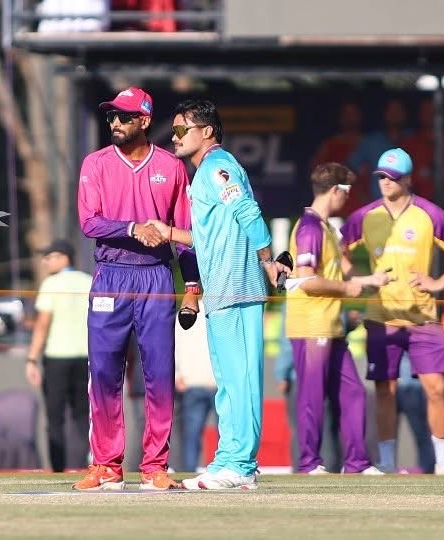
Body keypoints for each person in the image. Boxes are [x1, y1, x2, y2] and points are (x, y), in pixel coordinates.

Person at [149, 98, 290, 490]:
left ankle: (241, 465)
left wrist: (267, 260)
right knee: (228, 380)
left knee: (240, 379)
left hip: (237, 287)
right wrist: (168, 232)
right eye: (174, 130)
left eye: (182, 130)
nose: (175, 137)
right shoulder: (205, 174)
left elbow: (248, 211)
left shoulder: (217, 166)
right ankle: (229, 459)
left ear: (207, 131)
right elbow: (206, 236)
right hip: (220, 290)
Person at [73, 87, 198, 491]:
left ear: (143, 121)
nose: (115, 123)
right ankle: (106, 465)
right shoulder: (95, 163)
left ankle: (155, 466)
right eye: (111, 116)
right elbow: (89, 222)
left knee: (159, 372)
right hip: (110, 274)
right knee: (104, 370)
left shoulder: (171, 166)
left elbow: (185, 234)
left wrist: (192, 285)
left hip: (156, 276)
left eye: (124, 117)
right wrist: (132, 228)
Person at [341, 147, 444, 475]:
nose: (385, 183)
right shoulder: (365, 216)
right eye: (381, 176)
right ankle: (388, 462)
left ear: (407, 179)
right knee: (385, 390)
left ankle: (443, 460)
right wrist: (359, 279)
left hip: (423, 317)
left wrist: (439, 282)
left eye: (392, 177)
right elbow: (335, 248)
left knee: (436, 388)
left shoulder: (429, 213)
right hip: (381, 317)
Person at [285, 162, 390, 475]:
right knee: (312, 397)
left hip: (332, 326)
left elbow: (340, 270)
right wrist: (347, 288)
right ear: (335, 190)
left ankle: (357, 463)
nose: (348, 197)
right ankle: (309, 463)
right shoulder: (309, 228)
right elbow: (305, 280)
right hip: (311, 325)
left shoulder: (327, 228)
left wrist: (370, 280)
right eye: (347, 191)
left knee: (353, 392)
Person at [25, 239, 93, 473]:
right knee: (83, 416)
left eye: (50, 256)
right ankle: (85, 465)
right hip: (86, 357)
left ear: (65, 257)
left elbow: (43, 323)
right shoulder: (89, 281)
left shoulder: (50, 284)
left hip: (57, 357)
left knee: (55, 416)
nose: (45, 261)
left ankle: (57, 467)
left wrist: (32, 358)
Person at [175, 298, 217, 474]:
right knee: (226, 433)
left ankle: (189, 472)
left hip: (192, 380)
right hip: (218, 380)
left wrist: (178, 373)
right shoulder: (220, 307)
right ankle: (223, 470)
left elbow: (176, 343)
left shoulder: (184, 312)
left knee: (192, 434)